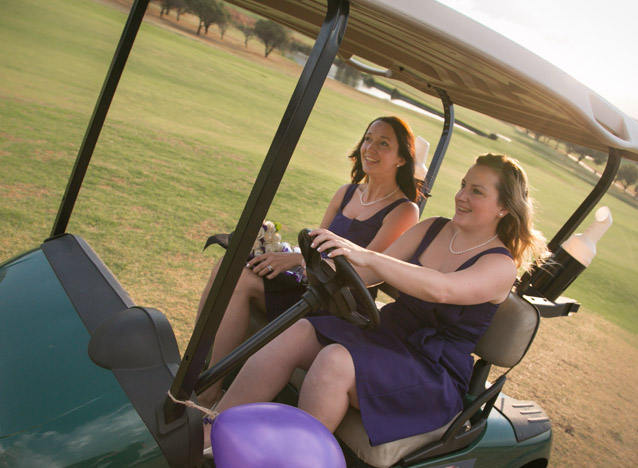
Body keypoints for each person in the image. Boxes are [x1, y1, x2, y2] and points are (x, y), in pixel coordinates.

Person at [205, 154, 548, 449]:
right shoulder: (433, 228)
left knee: (335, 361)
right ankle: (212, 428)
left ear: (504, 207)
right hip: (386, 335)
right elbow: (366, 274)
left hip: (431, 370)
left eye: (477, 191)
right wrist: (312, 260)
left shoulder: (500, 265)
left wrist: (366, 255)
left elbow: (442, 289)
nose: (461, 196)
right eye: (463, 185)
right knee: (297, 331)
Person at [196, 116, 421, 407]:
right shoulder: (347, 192)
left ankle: (209, 392)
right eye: (368, 139)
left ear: (401, 158)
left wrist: (298, 259)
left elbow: (366, 268)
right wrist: (290, 257)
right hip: (311, 287)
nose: (370, 148)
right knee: (229, 271)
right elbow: (313, 248)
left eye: (384, 144)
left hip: (340, 306)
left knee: (243, 279)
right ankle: (199, 372)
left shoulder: (404, 210)